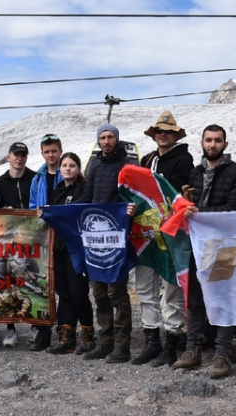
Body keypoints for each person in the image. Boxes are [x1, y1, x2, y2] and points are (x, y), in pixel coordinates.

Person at [172, 124, 236, 379]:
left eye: (217, 140)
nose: (212, 144)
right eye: (208, 140)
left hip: (226, 245)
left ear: (225, 144)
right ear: (202, 143)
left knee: (223, 299)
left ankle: (223, 353)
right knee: (194, 300)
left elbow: (235, 208)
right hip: (199, 245)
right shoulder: (193, 174)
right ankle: (192, 351)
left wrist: (200, 213)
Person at [135, 110, 194, 367]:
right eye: (159, 131)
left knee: (171, 288)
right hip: (147, 233)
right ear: (154, 135)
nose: (163, 134)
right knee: (145, 287)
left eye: (168, 131)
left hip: (171, 233)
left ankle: (171, 343)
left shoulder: (184, 161)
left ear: (175, 135)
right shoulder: (147, 160)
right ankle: (152, 342)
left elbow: (180, 197)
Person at [77, 123, 136, 363]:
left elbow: (133, 195)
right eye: (102, 137)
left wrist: (132, 208)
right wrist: (60, 210)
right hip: (95, 241)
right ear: (98, 141)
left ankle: (122, 346)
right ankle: (105, 342)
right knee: (99, 293)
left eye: (110, 136)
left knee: (117, 294)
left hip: (116, 240)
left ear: (117, 139)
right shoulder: (96, 166)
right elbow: (87, 197)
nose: (106, 141)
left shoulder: (127, 166)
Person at [45, 151, 95, 355]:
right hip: (58, 247)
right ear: (60, 169)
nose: (67, 168)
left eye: (72, 165)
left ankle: (88, 334)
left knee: (78, 293)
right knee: (64, 293)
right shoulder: (57, 190)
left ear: (78, 168)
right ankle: (67, 336)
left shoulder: (84, 188)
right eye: (64, 165)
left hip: (77, 248)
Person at [0, 140, 35, 347]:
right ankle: (10, 328)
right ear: (8, 157)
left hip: (34, 239)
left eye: (23, 155)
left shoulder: (35, 178)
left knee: (33, 282)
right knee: (8, 284)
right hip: (9, 243)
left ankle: (36, 325)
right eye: (16, 154)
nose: (19, 158)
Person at [27, 134, 64, 351]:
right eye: (47, 151)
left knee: (63, 289)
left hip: (62, 238)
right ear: (42, 153)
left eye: (54, 151)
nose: (51, 155)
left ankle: (64, 331)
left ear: (60, 151)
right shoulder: (38, 177)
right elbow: (33, 204)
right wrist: (37, 214)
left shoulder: (68, 171)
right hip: (42, 237)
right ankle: (42, 334)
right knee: (40, 287)